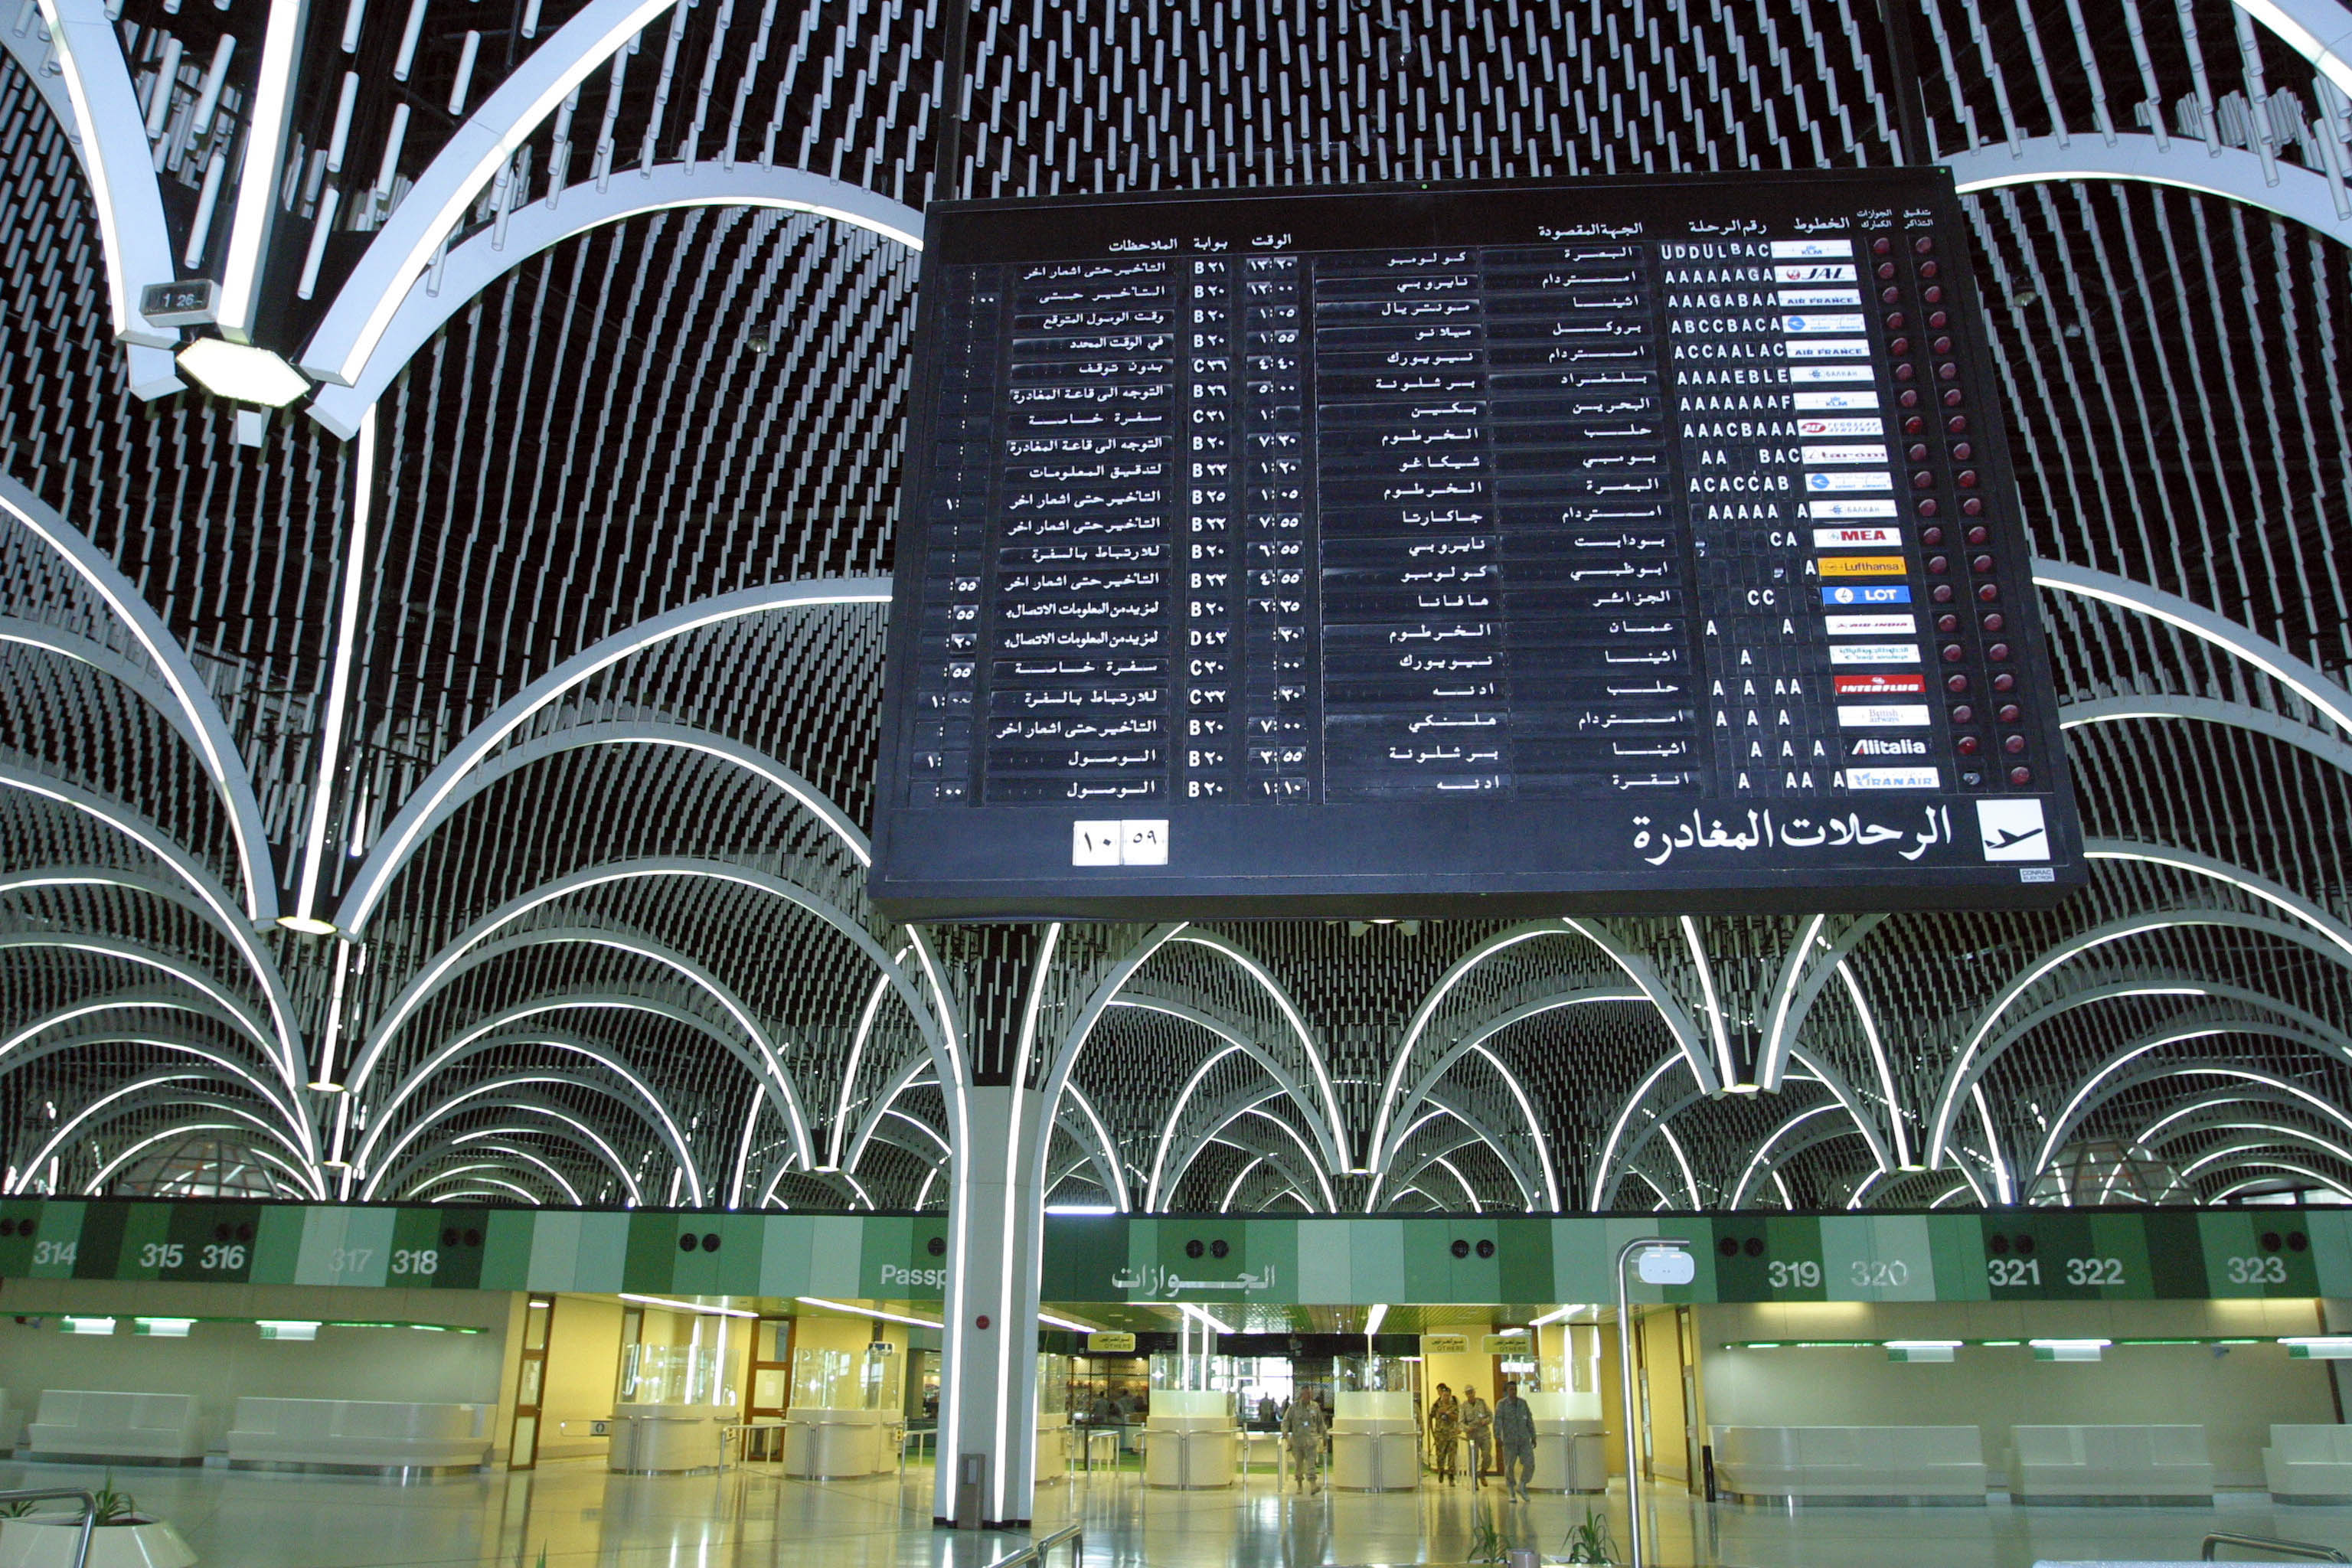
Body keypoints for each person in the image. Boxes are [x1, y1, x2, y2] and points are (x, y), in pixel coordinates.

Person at [1493, 1378, 1537, 1501]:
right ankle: (1511, 1490)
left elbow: (1529, 1420)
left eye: (1515, 1389)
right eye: (1511, 1389)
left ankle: (1522, 1484)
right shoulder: (1502, 1404)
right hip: (1509, 1441)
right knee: (1509, 1467)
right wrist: (1497, 1437)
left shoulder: (1523, 1403)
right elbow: (1498, 1421)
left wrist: (1533, 1436)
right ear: (1507, 1391)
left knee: (1530, 1463)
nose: (1514, 1391)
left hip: (1524, 1439)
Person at [1283, 1387, 1328, 1492]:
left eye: (1310, 1394)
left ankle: (1313, 1486)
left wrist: (1325, 1436)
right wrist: (1285, 1433)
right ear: (1302, 1395)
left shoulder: (1315, 1407)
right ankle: (1299, 1485)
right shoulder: (1294, 1407)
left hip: (1311, 1440)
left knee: (1311, 1463)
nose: (1308, 1396)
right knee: (1299, 1464)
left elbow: (1320, 1422)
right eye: (1306, 1394)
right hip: (1297, 1440)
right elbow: (1286, 1420)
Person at [1427, 1383, 1461, 1484]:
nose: (1446, 1397)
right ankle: (1441, 1470)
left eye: (1448, 1395)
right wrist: (1432, 1432)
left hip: (1451, 1434)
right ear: (1442, 1395)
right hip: (1440, 1435)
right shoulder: (1437, 1405)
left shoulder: (1454, 1406)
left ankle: (1451, 1475)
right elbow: (1430, 1417)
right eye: (1444, 1395)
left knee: (1452, 1456)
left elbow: (1458, 1418)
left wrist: (1449, 1414)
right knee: (1440, 1456)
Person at [1460, 1387, 1492, 1489]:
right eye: (1468, 1393)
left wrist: (1485, 1421)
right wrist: (1466, 1428)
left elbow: (1491, 1416)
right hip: (1472, 1435)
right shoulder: (1464, 1406)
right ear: (1466, 1394)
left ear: (1474, 1392)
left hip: (1484, 1434)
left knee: (1487, 1456)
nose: (1470, 1395)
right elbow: (1460, 1422)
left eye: (1471, 1393)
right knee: (1473, 1459)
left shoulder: (1481, 1403)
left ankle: (1483, 1473)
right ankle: (1474, 1481)